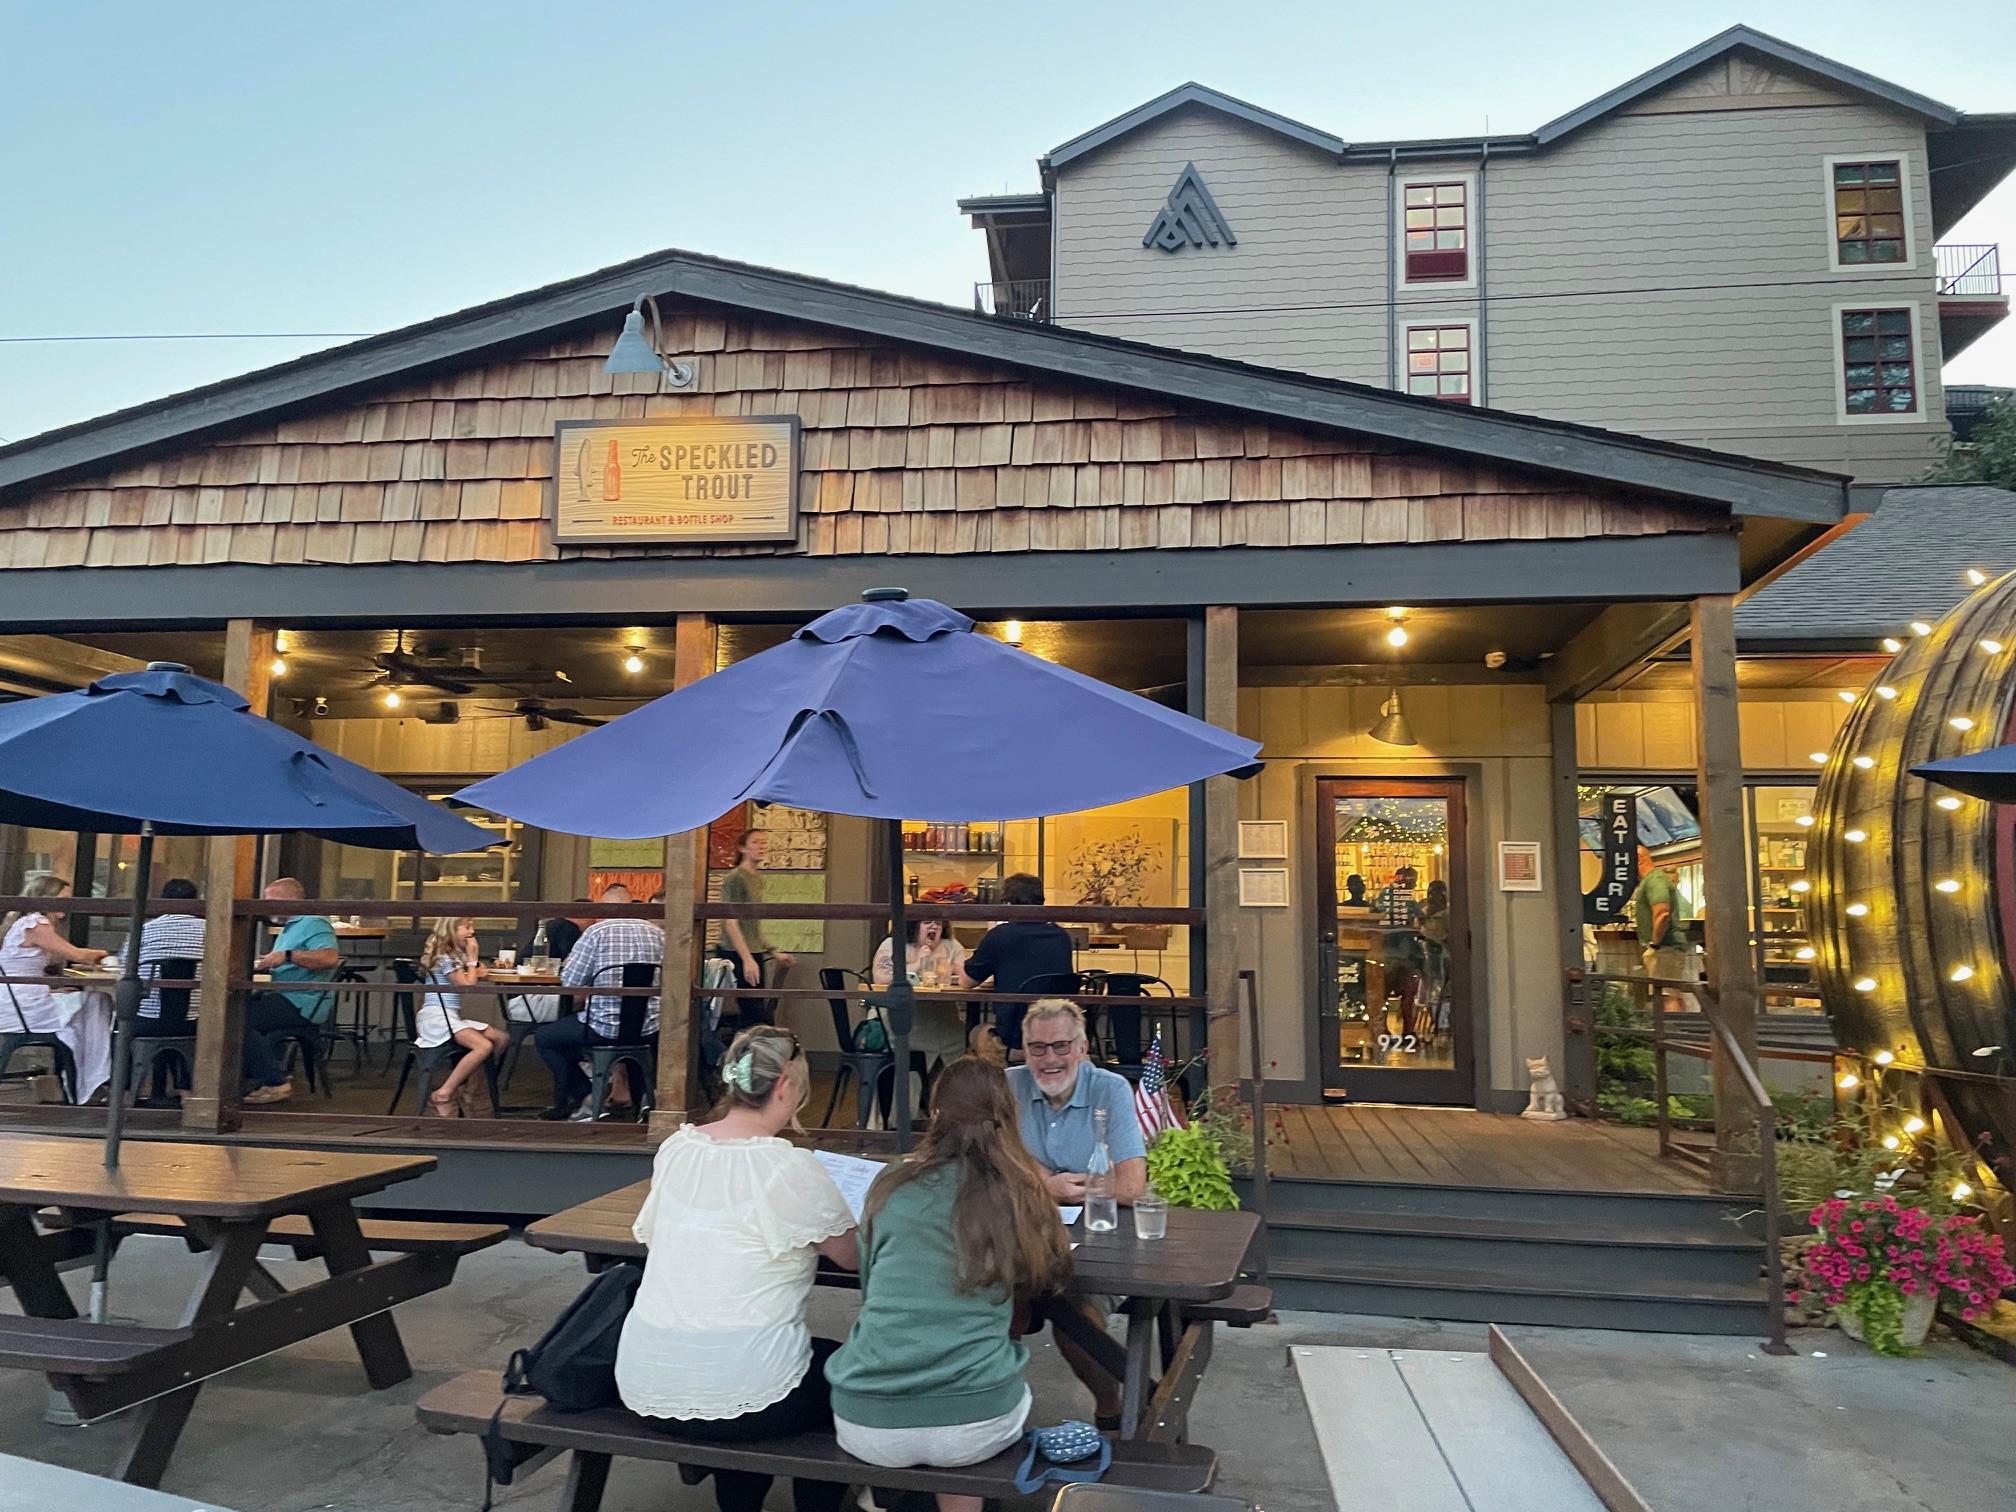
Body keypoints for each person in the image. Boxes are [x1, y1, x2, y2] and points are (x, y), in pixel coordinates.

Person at [615, 1026, 857, 1512]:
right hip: (749, 1391)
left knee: (748, 1360)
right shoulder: (788, 1167)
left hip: (646, 1380)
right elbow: (854, 1258)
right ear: (785, 1087)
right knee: (849, 1377)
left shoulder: (677, 1149)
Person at [828, 1057, 1072, 1512]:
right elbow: (1046, 1272)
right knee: (966, 1433)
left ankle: (881, 1497)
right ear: (1007, 1116)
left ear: (935, 1113)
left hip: (868, 1416)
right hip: (974, 1420)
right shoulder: (1019, 1192)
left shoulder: (890, 1182)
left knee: (938, 1429)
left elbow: (870, 1283)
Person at [1006, 998, 1146, 1428]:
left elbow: (1129, 1187)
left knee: (1073, 1318)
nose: (1049, 1059)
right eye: (1037, 1048)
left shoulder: (1110, 1089)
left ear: (1084, 1048)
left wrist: (1038, 1180)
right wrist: (1046, 1184)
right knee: (989, 1302)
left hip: (1099, 1241)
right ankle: (989, 1412)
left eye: (1061, 1046)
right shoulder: (1007, 1086)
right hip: (1021, 1238)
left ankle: (1111, 1409)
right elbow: (990, 1168)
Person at [537, 884, 664, 1120]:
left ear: (604, 906)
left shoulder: (596, 933)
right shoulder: (657, 933)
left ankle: (588, 1096)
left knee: (546, 1038)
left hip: (601, 1027)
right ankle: (644, 1098)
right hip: (649, 1027)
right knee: (635, 1043)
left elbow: (571, 981)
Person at [0, 872, 112, 1102]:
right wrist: (106, 955)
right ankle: (90, 1082)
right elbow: (77, 955)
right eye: (63, 898)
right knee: (97, 1001)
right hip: (24, 1008)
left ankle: (83, 1080)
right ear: (46, 899)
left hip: (17, 1001)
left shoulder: (24, 923)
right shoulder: (35, 924)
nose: (68, 904)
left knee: (84, 1003)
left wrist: (53, 991)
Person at [239, 877, 340, 1105]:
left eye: (271, 901)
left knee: (237, 1019)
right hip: (285, 996)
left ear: (292, 900)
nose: (266, 906)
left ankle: (275, 1081)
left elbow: (329, 957)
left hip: (302, 1002)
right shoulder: (290, 927)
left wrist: (286, 956)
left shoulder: (313, 921)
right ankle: (251, 1078)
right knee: (236, 1010)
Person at [958, 873, 1072, 1052]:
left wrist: (956, 965)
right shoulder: (1061, 936)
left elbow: (967, 982)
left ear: (1008, 903)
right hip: (1058, 1033)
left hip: (1015, 1037)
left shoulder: (1000, 936)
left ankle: (1000, 1079)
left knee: (977, 1032)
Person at [415, 917, 509, 1116]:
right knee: (483, 1046)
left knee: (500, 1038)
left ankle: (468, 1091)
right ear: (451, 929)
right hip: (437, 1016)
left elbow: (476, 973)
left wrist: (472, 966)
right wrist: (473, 957)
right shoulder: (444, 956)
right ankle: (444, 1092)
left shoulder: (454, 955)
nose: (471, 931)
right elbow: (467, 985)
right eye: (467, 927)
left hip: (450, 1016)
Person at [716, 830, 795, 1029]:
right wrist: (747, 959)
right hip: (735, 951)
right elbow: (730, 923)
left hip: (753, 949)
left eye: (764, 843)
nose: (761, 846)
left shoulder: (757, 878)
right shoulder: (735, 878)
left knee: (755, 1009)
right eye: (755, 842)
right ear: (742, 848)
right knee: (755, 1011)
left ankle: (751, 1052)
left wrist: (774, 951)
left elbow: (753, 923)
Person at [872, 915, 969, 1070]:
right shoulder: (894, 944)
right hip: (903, 1021)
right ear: (914, 926)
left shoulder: (951, 946)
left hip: (946, 1021)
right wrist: (918, 963)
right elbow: (881, 977)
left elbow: (965, 975)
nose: (934, 927)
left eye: (938, 923)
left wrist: (954, 969)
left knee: (967, 1042)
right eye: (927, 922)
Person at [1631, 844, 1689, 1013]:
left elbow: (1662, 914)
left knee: (1667, 996)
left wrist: (1654, 945)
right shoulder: (1651, 881)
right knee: (1671, 994)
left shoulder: (1655, 880)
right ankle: (1680, 1033)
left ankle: (1674, 1035)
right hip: (1665, 948)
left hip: (1665, 948)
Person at [1375, 865, 1422, 1033]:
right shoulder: (1400, 898)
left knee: (1384, 995)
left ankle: (1386, 1031)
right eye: (1413, 881)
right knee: (1406, 995)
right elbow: (1417, 921)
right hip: (1401, 953)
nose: (1414, 885)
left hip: (1392, 952)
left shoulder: (1386, 896)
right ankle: (1407, 1032)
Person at [1417, 878, 1451, 1036]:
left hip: (1435, 954)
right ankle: (1438, 1021)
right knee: (1433, 989)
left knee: (1435, 989)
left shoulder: (1442, 913)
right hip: (1431, 954)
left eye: (1434, 893)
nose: (1432, 896)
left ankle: (1439, 1022)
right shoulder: (1427, 911)